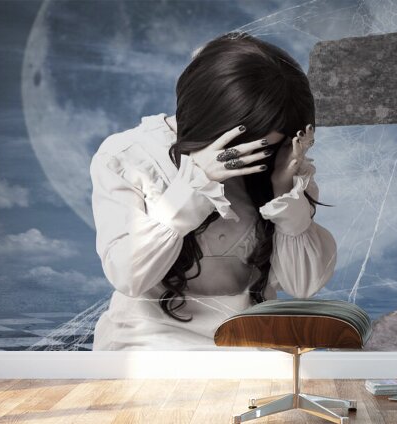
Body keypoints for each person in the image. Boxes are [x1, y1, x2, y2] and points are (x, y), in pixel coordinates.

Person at [89, 31, 338, 350]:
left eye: (266, 146)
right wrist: (194, 186)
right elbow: (129, 277)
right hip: (147, 345)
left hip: (253, 343)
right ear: (212, 116)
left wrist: (284, 191)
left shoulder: (281, 161)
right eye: (248, 143)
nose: (256, 154)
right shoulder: (129, 155)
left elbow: (303, 285)